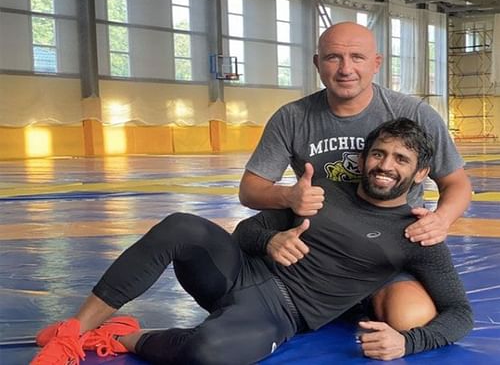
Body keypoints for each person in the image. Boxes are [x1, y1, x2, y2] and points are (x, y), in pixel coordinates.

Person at [31, 119, 473, 365]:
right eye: (378, 153)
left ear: (419, 174)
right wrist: (272, 240)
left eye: (401, 159)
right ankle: (76, 330)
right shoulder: (319, 194)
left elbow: (460, 312)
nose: (384, 165)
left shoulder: (417, 232)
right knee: (182, 224)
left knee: (211, 353)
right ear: (362, 158)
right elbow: (245, 233)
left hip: (281, 314)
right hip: (239, 274)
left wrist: (407, 343)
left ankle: (123, 336)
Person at [239, 21, 472, 329]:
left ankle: (363, 299)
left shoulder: (414, 114)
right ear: (317, 64)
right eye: (333, 57)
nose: (345, 69)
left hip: (385, 249)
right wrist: (289, 195)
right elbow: (249, 190)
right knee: (244, 285)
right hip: (317, 247)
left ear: (376, 63)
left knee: (410, 317)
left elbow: (455, 181)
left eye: (357, 58)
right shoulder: (292, 117)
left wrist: (441, 220)